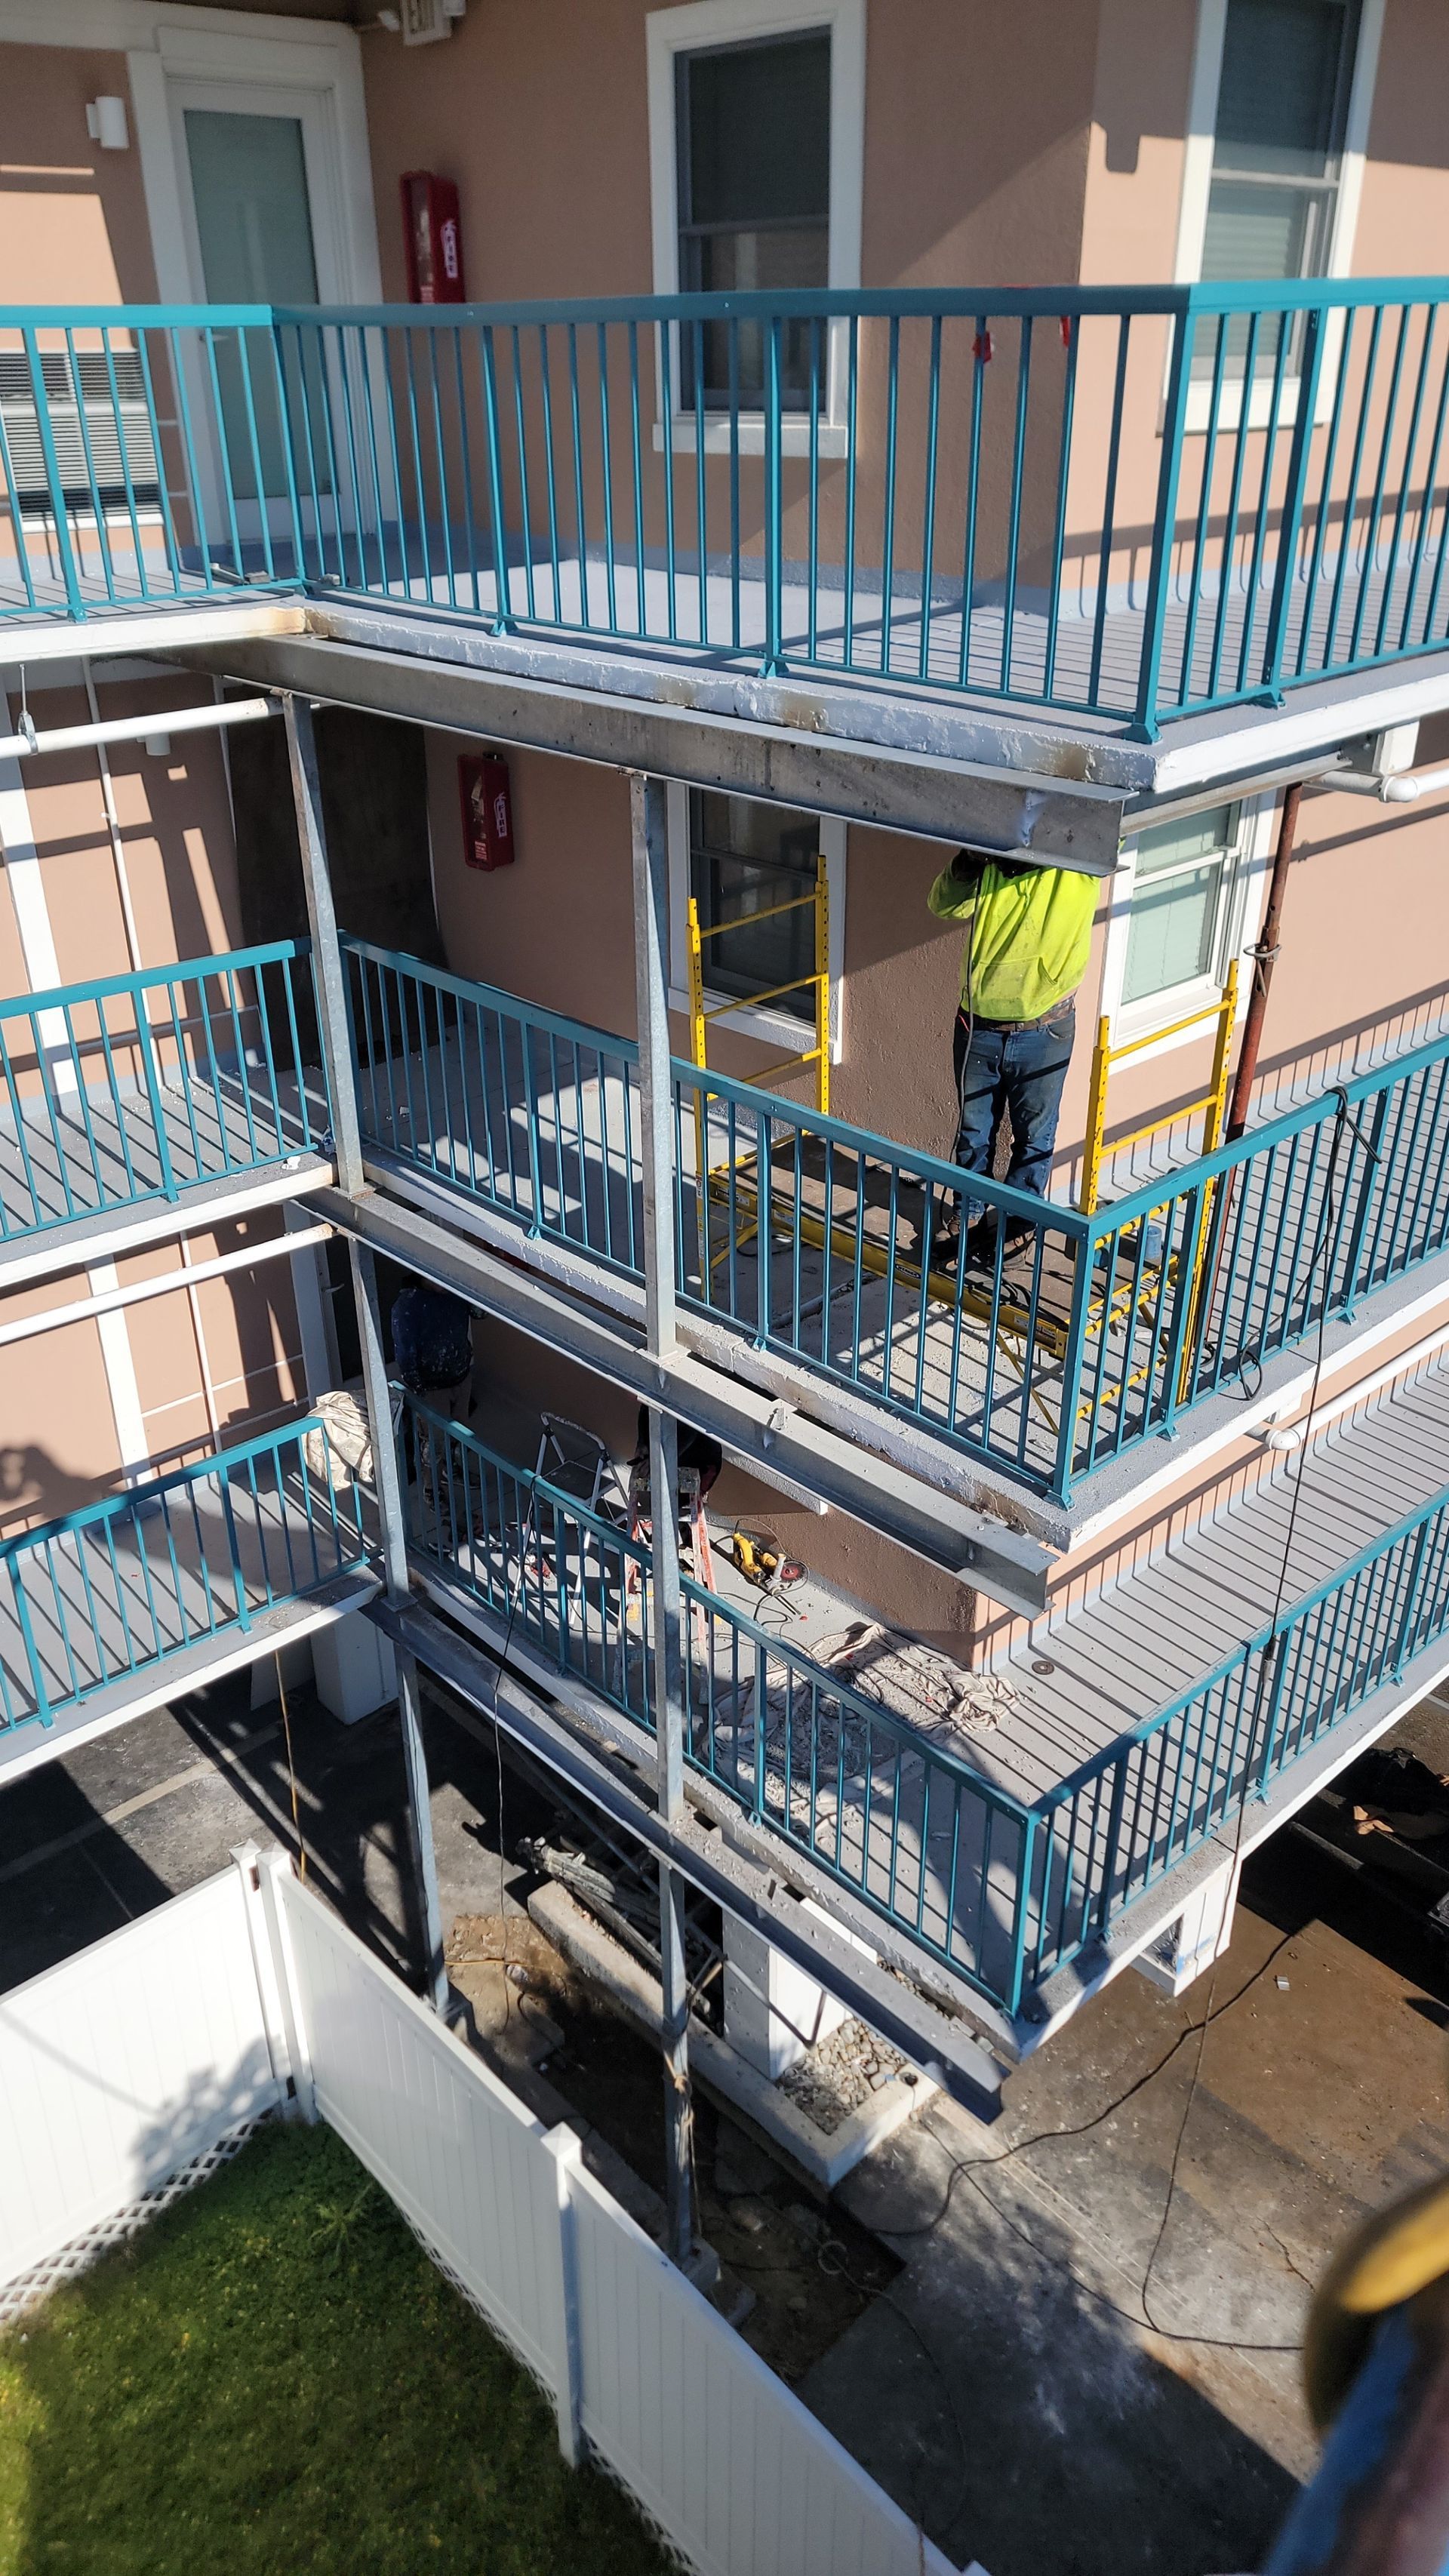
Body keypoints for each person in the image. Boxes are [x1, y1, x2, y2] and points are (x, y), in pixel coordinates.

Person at [925, 846, 1097, 1270]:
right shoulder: (990, 861)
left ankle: (1019, 1223)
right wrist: (971, 859)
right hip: (978, 1026)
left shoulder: (1078, 861)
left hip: (1046, 1028)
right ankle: (969, 1212)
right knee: (973, 1131)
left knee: (1035, 1136)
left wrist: (1049, 850)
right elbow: (942, 904)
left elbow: (1109, 823)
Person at [389, 1282, 475, 1419]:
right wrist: (420, 1391)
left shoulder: (456, 1292)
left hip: (462, 1377)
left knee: (462, 1426)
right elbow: (405, 1355)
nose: (445, 1283)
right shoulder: (408, 1305)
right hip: (432, 1388)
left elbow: (479, 1313)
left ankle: (457, 1442)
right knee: (438, 1436)